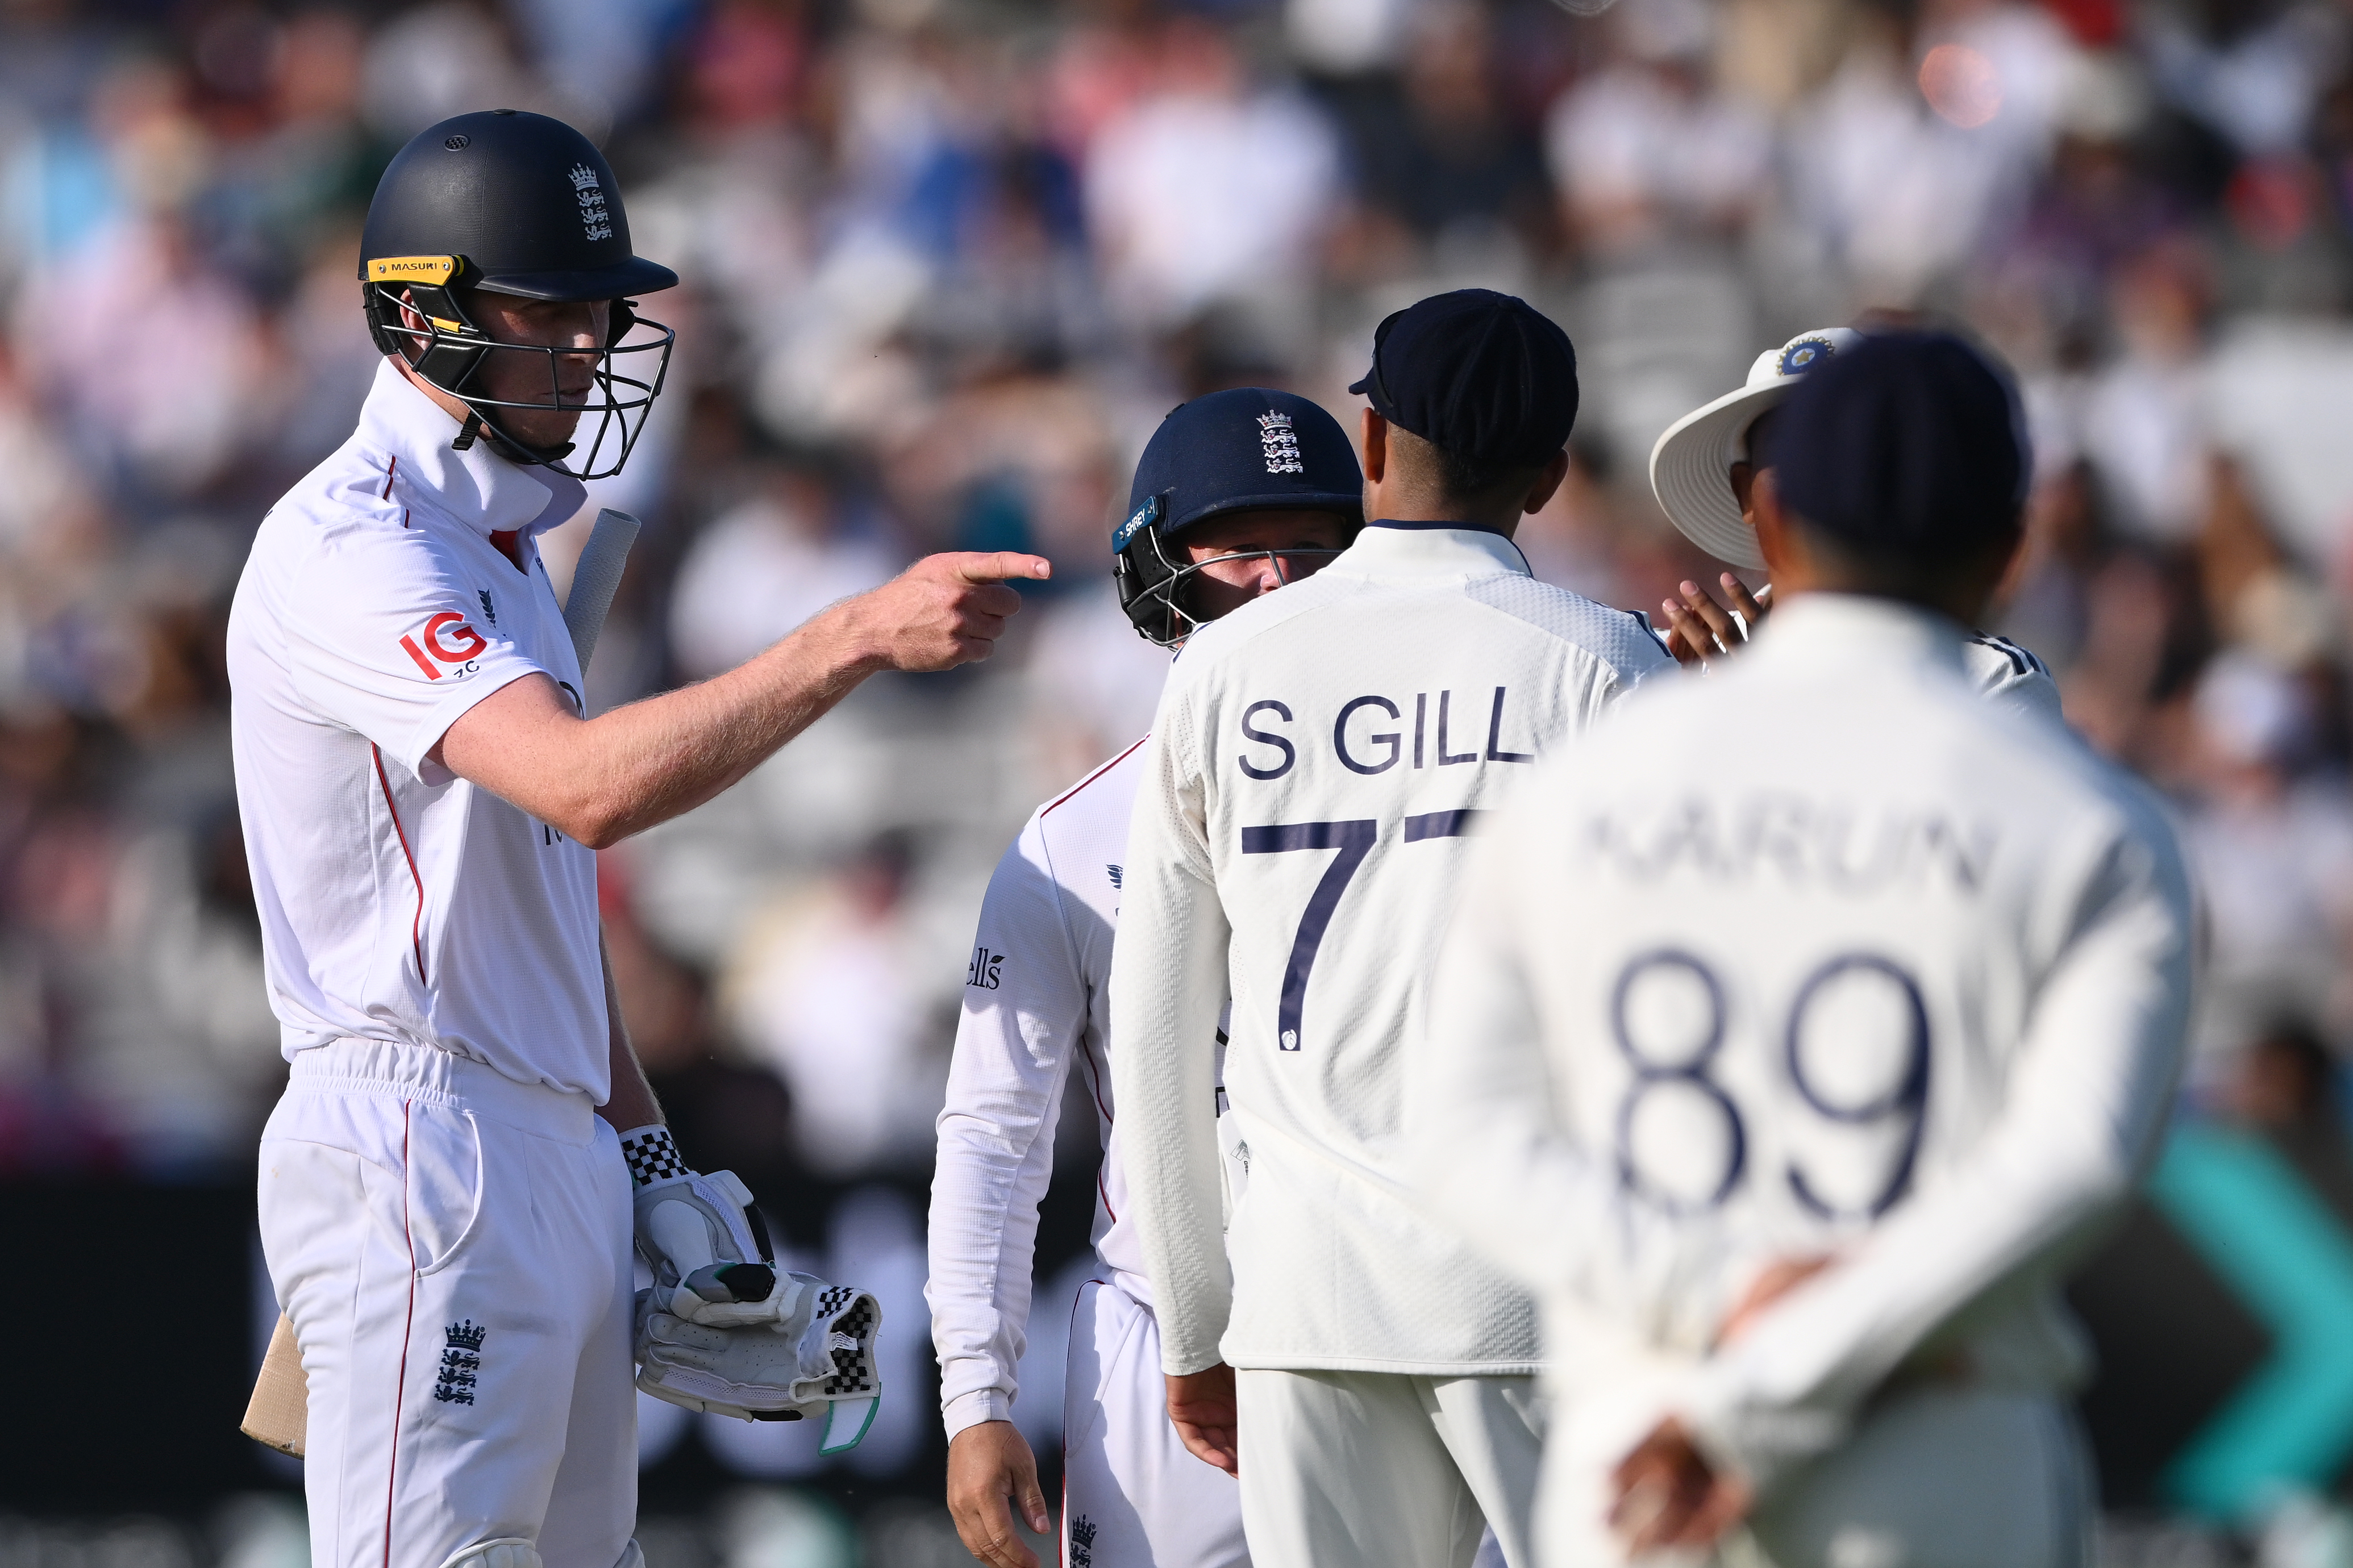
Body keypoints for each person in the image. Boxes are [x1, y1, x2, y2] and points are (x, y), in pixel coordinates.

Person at [231, 111, 1047, 1568]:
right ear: (419, 311)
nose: (592, 348)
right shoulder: (352, 545)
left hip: (537, 1141)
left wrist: (650, 1156)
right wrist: (851, 634)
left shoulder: (505, 554)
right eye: (548, 310)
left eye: (599, 313)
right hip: (423, 1141)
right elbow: (587, 788)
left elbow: (535, 905)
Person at [1414, 333, 2194, 1568]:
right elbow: (2074, 1162)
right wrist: (1782, 1376)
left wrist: (1720, 1314)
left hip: (1643, 1451)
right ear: (2008, 546)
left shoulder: (1582, 783)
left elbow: (1461, 1134)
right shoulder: (2094, 822)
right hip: (1936, 1446)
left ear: (1765, 511)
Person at [1107, 290, 1675, 1568]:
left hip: (1307, 1298)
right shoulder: (1604, 666)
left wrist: (1197, 1332)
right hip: (1543, 1294)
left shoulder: (1222, 667)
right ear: (1549, 475)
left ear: (1367, 442)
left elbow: (1152, 1034)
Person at [928, 388, 1363, 1568]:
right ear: (1158, 569)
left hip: (1389, 1321)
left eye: (1315, 550)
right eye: (1239, 547)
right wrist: (977, 1395)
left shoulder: (1442, 797)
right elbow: (993, 1134)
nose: (1279, 580)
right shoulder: (1070, 841)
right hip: (1167, 1347)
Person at [1647, 326, 2064, 722]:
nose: (1822, 476)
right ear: (1745, 493)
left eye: (1853, 448)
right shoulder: (1668, 661)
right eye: (1788, 454)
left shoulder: (1992, 680)